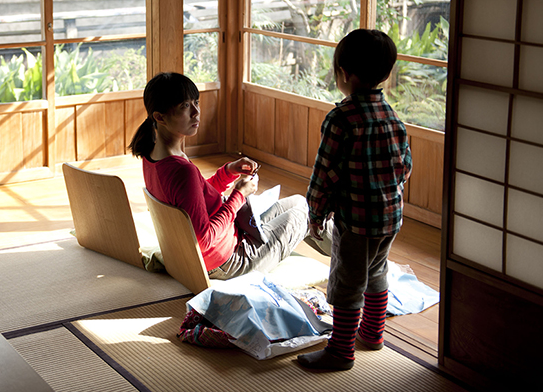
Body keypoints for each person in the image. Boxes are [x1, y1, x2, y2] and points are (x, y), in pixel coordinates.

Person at [128, 72, 329, 280]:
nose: (196, 112)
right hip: (227, 260)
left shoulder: (153, 157)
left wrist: (228, 172)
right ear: (160, 117)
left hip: (229, 236)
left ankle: (356, 252)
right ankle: (357, 256)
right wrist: (239, 195)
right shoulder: (181, 170)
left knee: (298, 201)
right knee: (305, 213)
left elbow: (194, 198)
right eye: (185, 107)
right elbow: (203, 240)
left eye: (196, 102)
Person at [297, 29, 413, 371]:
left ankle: (340, 351)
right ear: (385, 73)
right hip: (389, 218)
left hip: (355, 220)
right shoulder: (393, 118)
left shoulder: (341, 119)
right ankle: (373, 334)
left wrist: (315, 212)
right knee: (377, 272)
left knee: (346, 282)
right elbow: (404, 167)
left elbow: (325, 173)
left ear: (344, 75)